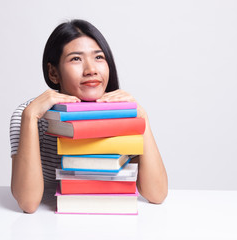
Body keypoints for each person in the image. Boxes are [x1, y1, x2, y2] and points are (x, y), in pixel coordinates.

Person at [10, 19, 168, 213]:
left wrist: (140, 115)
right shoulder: (30, 115)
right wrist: (30, 116)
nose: (91, 70)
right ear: (53, 73)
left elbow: (157, 194)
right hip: (52, 221)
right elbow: (28, 203)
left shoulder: (122, 113)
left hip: (110, 217)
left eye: (99, 57)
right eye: (76, 59)